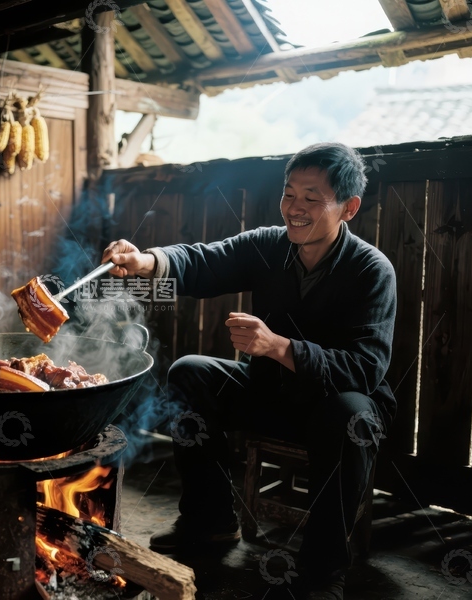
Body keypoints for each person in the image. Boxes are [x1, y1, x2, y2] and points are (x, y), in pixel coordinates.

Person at [101, 143, 396, 600]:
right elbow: (202, 260)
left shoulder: (371, 270)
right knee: (189, 371)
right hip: (273, 393)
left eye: (311, 197)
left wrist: (280, 347)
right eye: (288, 193)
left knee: (349, 413)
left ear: (349, 207)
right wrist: (145, 261)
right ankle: (211, 521)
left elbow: (365, 369)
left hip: (337, 411)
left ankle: (323, 572)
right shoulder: (268, 245)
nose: (294, 209)